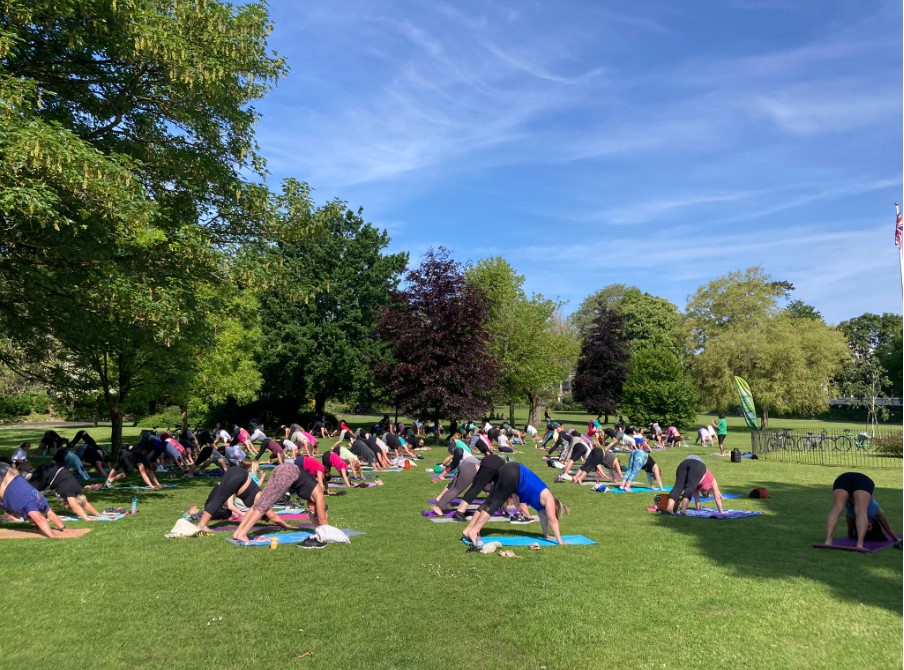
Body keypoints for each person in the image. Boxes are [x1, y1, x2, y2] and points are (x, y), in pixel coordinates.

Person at [461, 462, 569, 547]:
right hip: (514, 473)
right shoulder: (549, 498)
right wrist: (560, 542)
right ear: (555, 506)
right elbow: (552, 521)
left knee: (489, 501)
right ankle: (474, 531)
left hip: (509, 470)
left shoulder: (541, 506)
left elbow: (544, 520)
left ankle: (468, 530)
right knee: (495, 503)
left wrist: (547, 535)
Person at [186, 459, 295, 533]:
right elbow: (273, 516)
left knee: (219, 498)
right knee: (219, 499)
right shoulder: (263, 500)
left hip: (236, 473)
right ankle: (202, 525)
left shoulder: (257, 501)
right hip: (239, 475)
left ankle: (202, 523)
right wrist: (287, 526)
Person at [231, 463, 327, 544]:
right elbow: (322, 518)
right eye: (314, 512)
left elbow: (313, 516)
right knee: (265, 505)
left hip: (282, 468)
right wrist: (327, 533)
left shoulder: (312, 496)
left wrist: (317, 528)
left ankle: (238, 532)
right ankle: (243, 534)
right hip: (289, 472)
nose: (311, 512)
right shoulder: (319, 495)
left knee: (260, 502)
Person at [824, 472, 898, 550]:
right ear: (873, 523)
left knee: (837, 509)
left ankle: (828, 540)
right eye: (870, 527)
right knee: (861, 511)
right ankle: (859, 544)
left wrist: (850, 536)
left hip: (843, 479)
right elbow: (887, 528)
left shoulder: (851, 515)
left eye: (867, 528)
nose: (868, 526)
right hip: (863, 481)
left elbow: (850, 529)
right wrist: (895, 539)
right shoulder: (876, 510)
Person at [0, 462, 68, 538]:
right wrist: (52, 535)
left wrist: (62, 528)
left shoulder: (41, 501)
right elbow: (39, 519)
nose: (31, 522)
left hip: (8, 471)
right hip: (4, 475)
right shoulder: (30, 505)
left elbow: (50, 515)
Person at [27, 462, 102, 520]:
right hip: (46, 473)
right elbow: (75, 506)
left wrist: (98, 514)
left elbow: (85, 503)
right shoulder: (69, 491)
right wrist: (87, 518)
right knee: (28, 490)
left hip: (52, 468)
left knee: (32, 488)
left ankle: (28, 477)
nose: (63, 503)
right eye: (66, 503)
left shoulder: (78, 491)